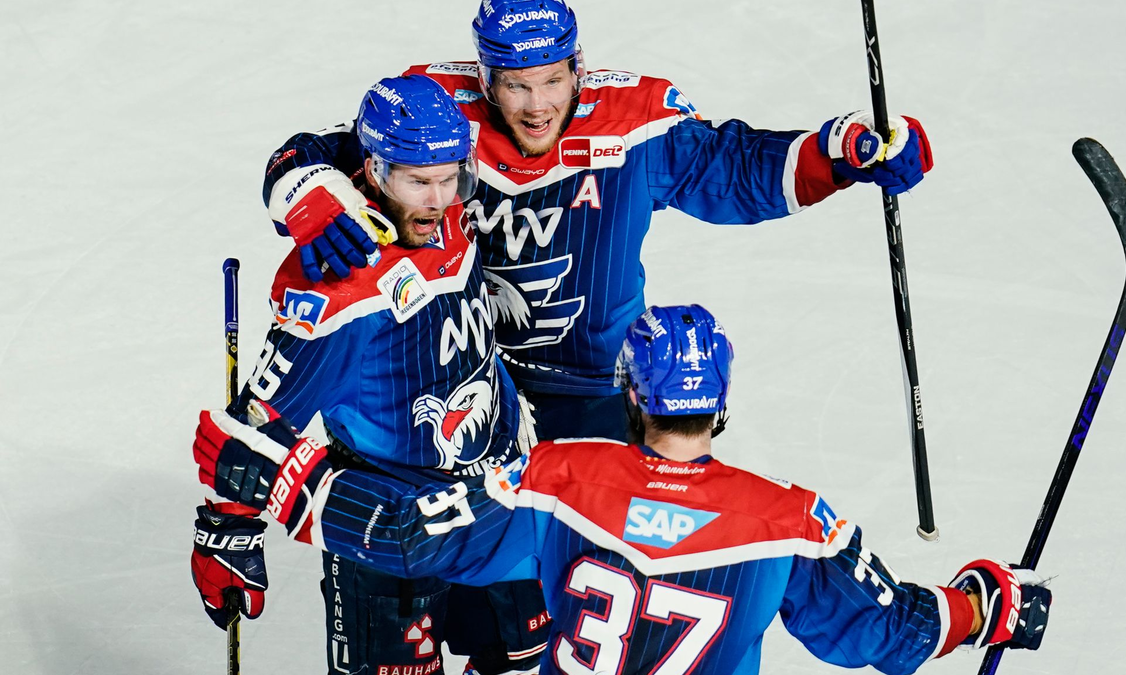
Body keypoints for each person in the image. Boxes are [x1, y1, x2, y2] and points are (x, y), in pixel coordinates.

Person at [192, 304, 1052, 675]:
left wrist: (278, 483)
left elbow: (413, 536)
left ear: (633, 397)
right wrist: (984, 604)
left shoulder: (557, 478)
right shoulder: (789, 520)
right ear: (721, 404)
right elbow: (890, 633)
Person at [262, 0, 934, 444]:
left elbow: (733, 169)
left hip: (592, 387)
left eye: (553, 81)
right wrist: (312, 194)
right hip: (460, 377)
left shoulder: (634, 121)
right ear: (485, 77)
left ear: (578, 67)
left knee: (588, 565)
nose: (536, 106)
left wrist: (842, 152)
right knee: (462, 576)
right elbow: (311, 152)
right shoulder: (438, 106)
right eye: (516, 85)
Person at [190, 74, 551, 675]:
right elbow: (257, 425)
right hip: (388, 527)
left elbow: (317, 149)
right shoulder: (337, 283)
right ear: (375, 171)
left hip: (497, 499)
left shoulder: (447, 209)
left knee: (521, 658)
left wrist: (301, 179)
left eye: (450, 178)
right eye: (418, 182)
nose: (438, 201)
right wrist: (227, 533)